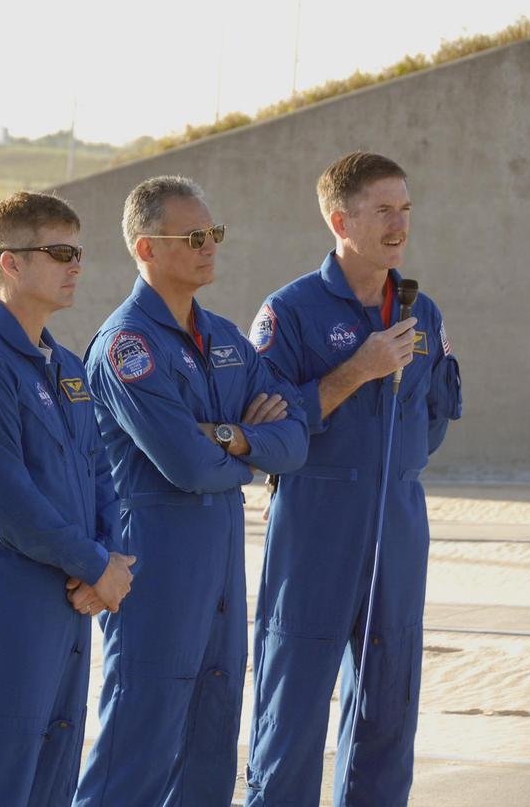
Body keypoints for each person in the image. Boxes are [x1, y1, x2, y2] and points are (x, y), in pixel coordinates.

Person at [74, 176, 309, 807]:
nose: (210, 247)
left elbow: (296, 438)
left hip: (221, 570)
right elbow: (187, 467)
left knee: (209, 747)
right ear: (147, 249)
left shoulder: (228, 340)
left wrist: (226, 436)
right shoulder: (127, 347)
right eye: (195, 236)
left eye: (215, 234)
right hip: (155, 567)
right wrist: (244, 453)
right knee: (137, 750)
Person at [243, 152, 463, 807]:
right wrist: (355, 371)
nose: (400, 224)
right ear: (340, 220)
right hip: (316, 523)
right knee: (292, 710)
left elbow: (433, 417)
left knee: (388, 708)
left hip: (397, 522)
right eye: (383, 210)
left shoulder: (422, 312)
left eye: (405, 209)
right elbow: (266, 432)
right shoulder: (291, 313)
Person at [0, 191, 135, 806]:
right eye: (60, 252)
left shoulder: (67, 365)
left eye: (79, 252)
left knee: (54, 768)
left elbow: (101, 472)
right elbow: (8, 502)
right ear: (10, 264)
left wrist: (111, 559)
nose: (76, 265)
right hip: (11, 592)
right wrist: (96, 567)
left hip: (72, 594)